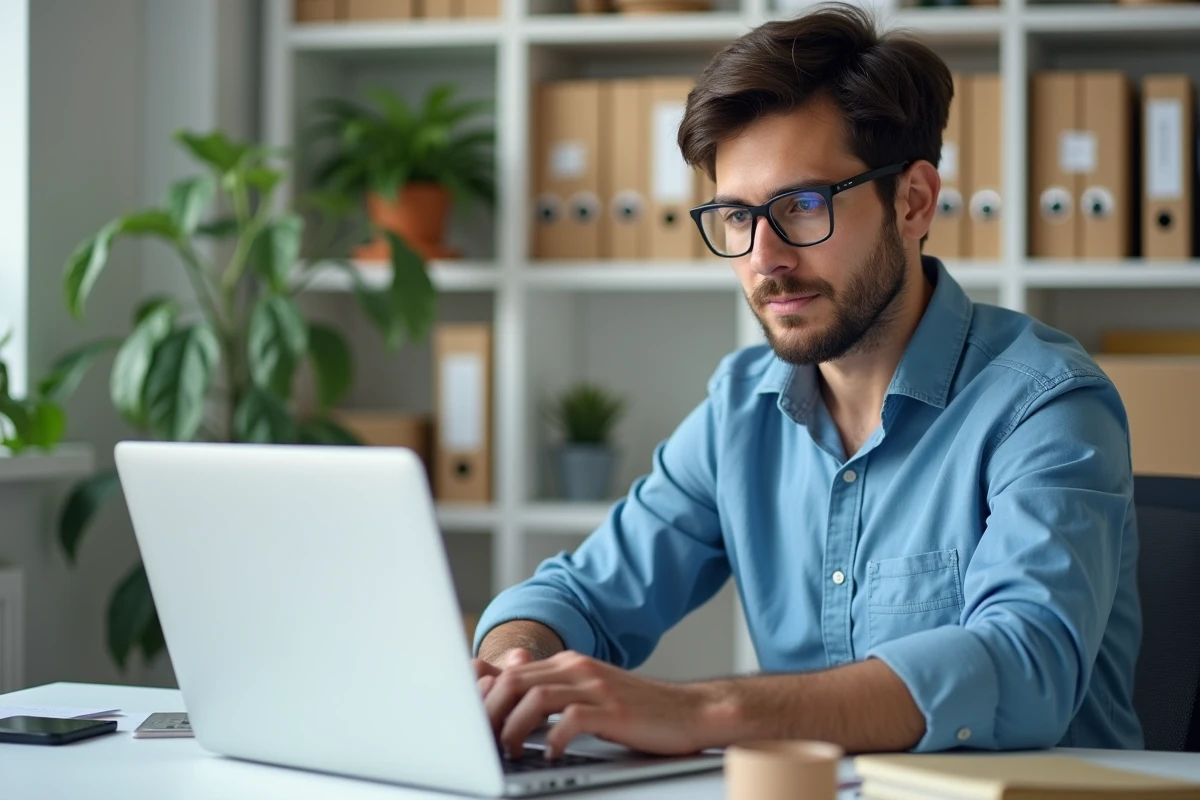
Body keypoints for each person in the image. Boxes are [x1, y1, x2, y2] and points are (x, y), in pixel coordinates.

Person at [472, 2, 1143, 761]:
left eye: (803, 205)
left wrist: (704, 710)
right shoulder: (741, 405)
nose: (765, 258)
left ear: (914, 201)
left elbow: (1025, 668)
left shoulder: (1047, 402)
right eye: (736, 216)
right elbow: (582, 593)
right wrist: (513, 665)